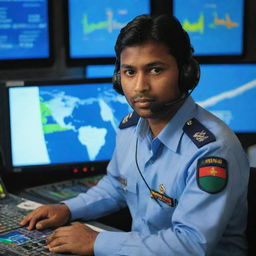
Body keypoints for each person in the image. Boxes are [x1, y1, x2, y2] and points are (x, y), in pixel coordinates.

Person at [20, 14, 250, 256]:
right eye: (129, 72)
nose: (140, 86)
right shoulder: (131, 128)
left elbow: (191, 244)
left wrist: (97, 242)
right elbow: (116, 186)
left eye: (155, 70)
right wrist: (67, 208)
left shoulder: (211, 150)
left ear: (185, 73)